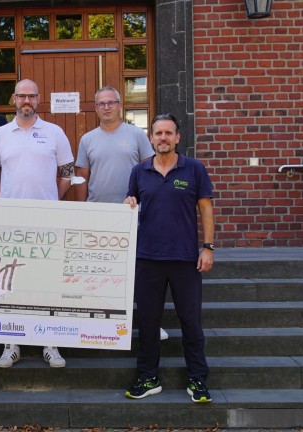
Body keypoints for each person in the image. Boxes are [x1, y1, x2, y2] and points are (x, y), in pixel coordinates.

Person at [123, 113, 215, 403]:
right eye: (158, 133)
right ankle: (148, 377)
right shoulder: (139, 171)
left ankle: (197, 379)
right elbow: (132, 204)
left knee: (191, 322)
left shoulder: (194, 168)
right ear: (150, 138)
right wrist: (129, 203)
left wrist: (208, 247)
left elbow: (206, 209)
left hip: (185, 259)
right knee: (148, 322)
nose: (163, 137)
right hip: (147, 258)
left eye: (168, 133)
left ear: (177, 137)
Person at [0, 79, 75, 368]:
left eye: (31, 96)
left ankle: (50, 342)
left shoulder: (54, 132)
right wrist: (8, 202)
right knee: (11, 279)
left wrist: (51, 200)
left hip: (47, 220)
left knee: (47, 280)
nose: (26, 101)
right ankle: (11, 343)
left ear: (38, 99)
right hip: (10, 221)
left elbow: (67, 173)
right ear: (14, 99)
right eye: (22, 96)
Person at [73, 86, 168, 341]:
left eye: (111, 102)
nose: (106, 107)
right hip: (98, 216)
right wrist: (81, 211)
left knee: (139, 273)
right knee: (100, 273)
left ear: (119, 105)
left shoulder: (136, 135)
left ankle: (150, 323)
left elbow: (151, 172)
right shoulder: (88, 139)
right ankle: (101, 325)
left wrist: (149, 207)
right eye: (101, 103)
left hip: (133, 215)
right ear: (96, 108)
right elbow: (82, 177)